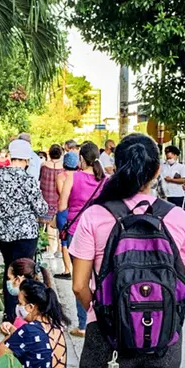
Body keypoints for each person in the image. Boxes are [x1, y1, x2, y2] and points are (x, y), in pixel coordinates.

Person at [67, 133, 185, 368]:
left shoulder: (96, 216)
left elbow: (78, 285)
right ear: (157, 171)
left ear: (116, 167)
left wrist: (106, 313)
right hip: (165, 342)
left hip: (107, 339)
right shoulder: (177, 217)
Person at [0, 139, 49, 322]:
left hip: (3, 233)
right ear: (26, 159)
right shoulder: (27, 180)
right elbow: (42, 208)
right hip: (25, 233)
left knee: (9, 271)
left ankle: (8, 315)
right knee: (24, 273)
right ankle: (24, 313)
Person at [59, 141, 108, 337]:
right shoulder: (105, 180)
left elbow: (62, 205)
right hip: (101, 232)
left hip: (77, 231)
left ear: (81, 159)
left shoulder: (73, 177)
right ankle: (102, 318)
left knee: (81, 280)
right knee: (99, 277)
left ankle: (84, 324)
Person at [0, 257, 56, 334]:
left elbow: (20, 339)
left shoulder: (26, 319)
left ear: (19, 279)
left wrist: (13, 333)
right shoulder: (44, 304)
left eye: (9, 278)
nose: (8, 282)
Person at [55, 151, 79, 280]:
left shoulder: (61, 176)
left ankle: (67, 269)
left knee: (64, 240)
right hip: (77, 210)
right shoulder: (80, 176)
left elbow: (61, 192)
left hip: (64, 211)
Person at [40, 144, 65, 254]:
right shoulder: (63, 167)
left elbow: (40, 179)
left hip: (46, 197)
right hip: (59, 199)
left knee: (48, 224)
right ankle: (59, 249)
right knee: (60, 225)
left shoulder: (44, 165)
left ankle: (50, 249)